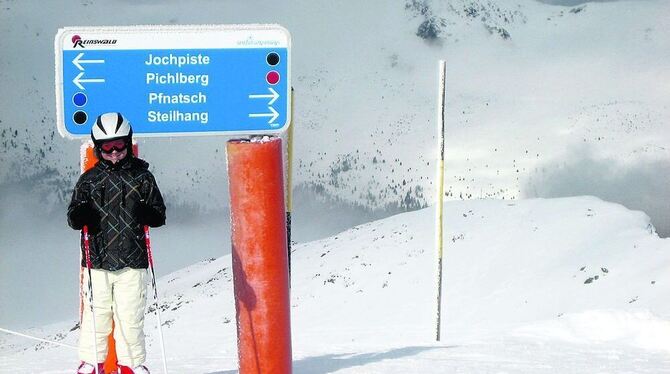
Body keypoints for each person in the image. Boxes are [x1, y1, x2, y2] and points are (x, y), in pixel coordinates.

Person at [67, 112, 166, 374]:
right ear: (98, 148)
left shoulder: (142, 177)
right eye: (107, 147)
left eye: (120, 145)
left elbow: (159, 213)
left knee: (130, 318)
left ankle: (132, 365)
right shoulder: (89, 180)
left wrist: (151, 215)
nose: (114, 152)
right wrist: (80, 216)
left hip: (132, 262)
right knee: (96, 315)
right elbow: (73, 214)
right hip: (97, 261)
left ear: (128, 143)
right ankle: (91, 362)